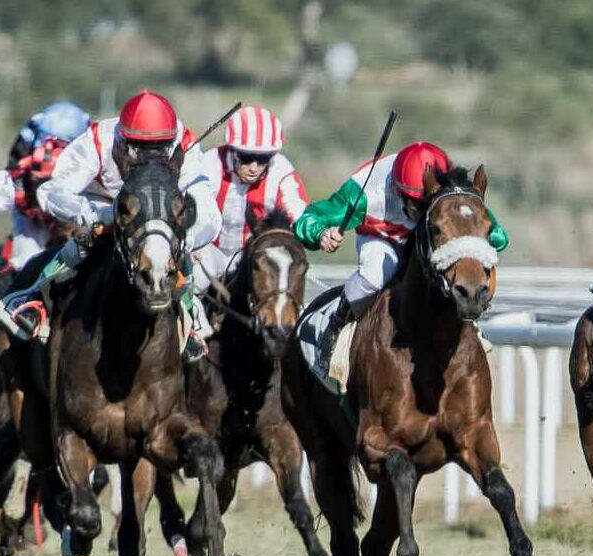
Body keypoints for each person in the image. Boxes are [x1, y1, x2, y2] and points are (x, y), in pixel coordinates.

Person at [0, 90, 221, 360]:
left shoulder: (185, 144)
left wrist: (186, 239)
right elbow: (51, 192)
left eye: (159, 148)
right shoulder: (97, 139)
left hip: (156, 219)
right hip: (102, 209)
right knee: (82, 246)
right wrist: (95, 214)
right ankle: (34, 299)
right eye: (140, 148)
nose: (149, 157)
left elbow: (210, 215)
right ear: (122, 141)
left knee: (176, 251)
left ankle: (189, 314)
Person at [293, 141, 508, 377]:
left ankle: (468, 327)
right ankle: (337, 325)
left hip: (431, 235)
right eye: (411, 201)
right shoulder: (365, 188)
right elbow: (310, 218)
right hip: (382, 237)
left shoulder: (448, 181)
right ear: (396, 187)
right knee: (375, 274)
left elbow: (494, 233)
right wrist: (320, 234)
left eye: (422, 202)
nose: (417, 209)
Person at [0, 102, 91, 379]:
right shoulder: (18, 179)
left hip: (80, 227)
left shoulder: (93, 173)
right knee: (25, 266)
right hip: (33, 229)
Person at [194, 105, 308, 291]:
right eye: (247, 157)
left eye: (263, 159)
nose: (254, 167)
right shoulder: (209, 164)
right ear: (233, 151)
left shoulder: (282, 170)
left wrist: (319, 233)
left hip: (254, 254)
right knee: (197, 277)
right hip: (210, 251)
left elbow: (299, 216)